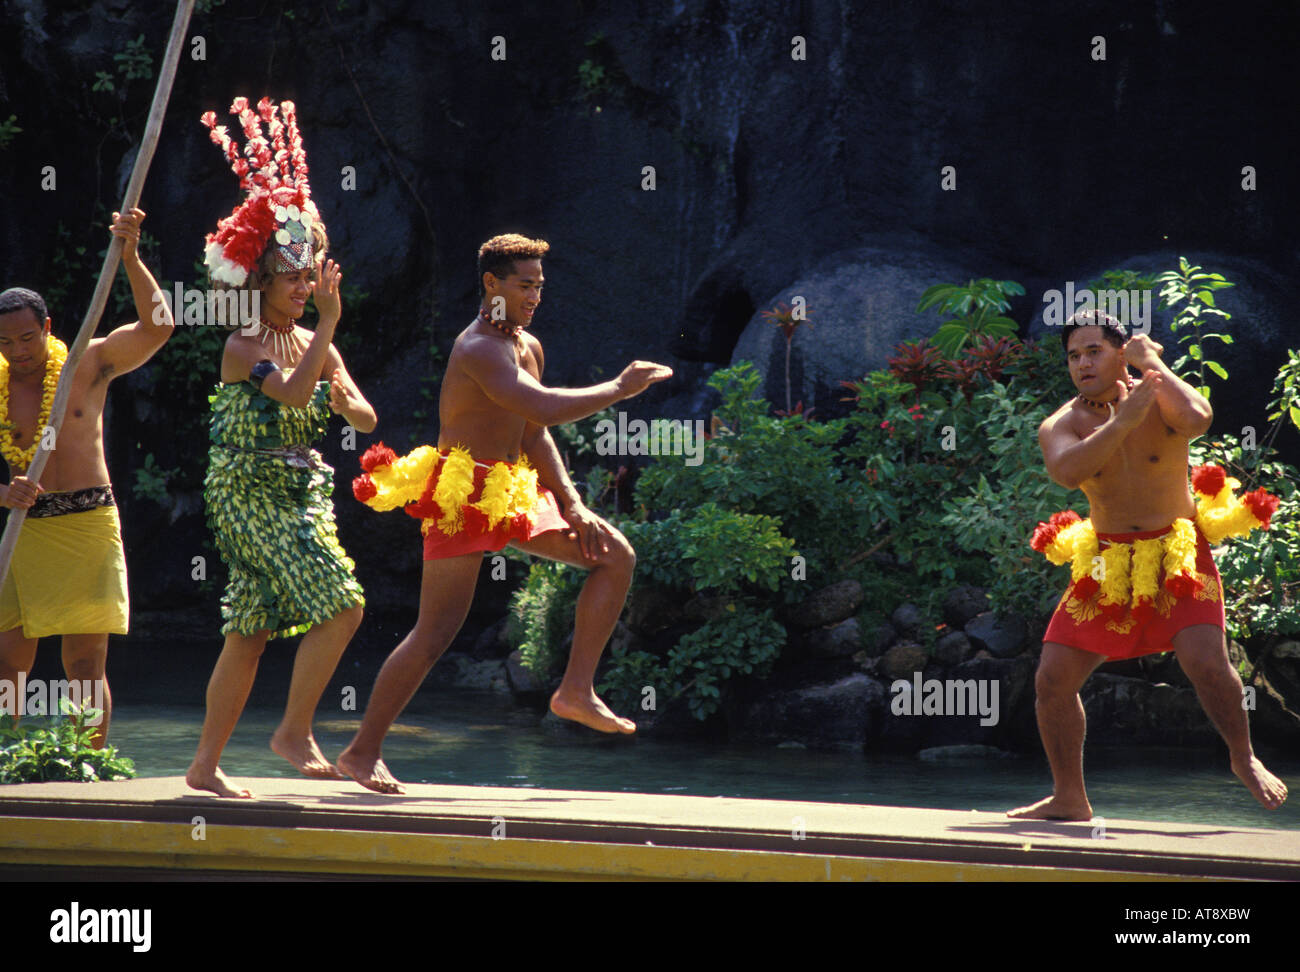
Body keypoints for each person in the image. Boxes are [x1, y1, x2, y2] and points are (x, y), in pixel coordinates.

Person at [338, 233, 671, 793]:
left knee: (615, 556)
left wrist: (572, 502)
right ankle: (361, 752)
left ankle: (575, 691)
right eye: (524, 285)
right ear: (492, 284)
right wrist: (617, 388)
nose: (535, 295)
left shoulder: (527, 345)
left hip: (514, 489)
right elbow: (539, 404)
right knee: (435, 631)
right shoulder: (476, 349)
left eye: (540, 285)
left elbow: (534, 431)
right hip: (464, 492)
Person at [1009, 309, 1287, 820]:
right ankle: (1069, 797)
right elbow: (1069, 472)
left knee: (1205, 662)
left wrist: (1155, 364)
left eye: (1094, 350)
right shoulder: (1063, 423)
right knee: (1052, 679)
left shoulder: (1161, 397)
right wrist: (1124, 419)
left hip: (1177, 552)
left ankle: (1243, 757)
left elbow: (1199, 419)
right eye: (1074, 355)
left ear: (1122, 353)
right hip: (1106, 562)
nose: (1082, 363)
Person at [186, 98, 375, 798]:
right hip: (246, 491)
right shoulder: (243, 346)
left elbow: (363, 411)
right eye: (295, 279)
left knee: (250, 630)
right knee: (344, 603)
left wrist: (339, 380)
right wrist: (326, 336)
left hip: (302, 489)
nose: (304, 289)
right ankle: (292, 732)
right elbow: (295, 395)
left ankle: (203, 767)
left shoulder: (313, 344)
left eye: (310, 278)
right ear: (260, 280)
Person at [0, 208, 176, 746]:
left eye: (28, 339)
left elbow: (159, 326)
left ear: (47, 328)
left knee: (83, 661)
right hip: (24, 528)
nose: (19, 351)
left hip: (87, 521)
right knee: (8, 664)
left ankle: (85, 769)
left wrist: (130, 257)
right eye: (6, 344)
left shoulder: (89, 363)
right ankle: (6, 767)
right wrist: (2, 492)